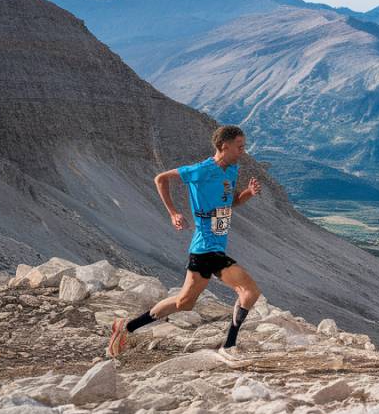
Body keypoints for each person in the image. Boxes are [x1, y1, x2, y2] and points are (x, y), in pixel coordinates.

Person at [107, 125, 263, 362]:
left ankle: (126, 328)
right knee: (249, 291)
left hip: (205, 250)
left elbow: (229, 204)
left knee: (184, 303)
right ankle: (229, 346)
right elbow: (161, 179)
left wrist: (248, 193)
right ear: (224, 146)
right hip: (208, 248)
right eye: (240, 146)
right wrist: (173, 213)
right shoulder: (200, 170)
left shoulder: (231, 171)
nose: (243, 151)